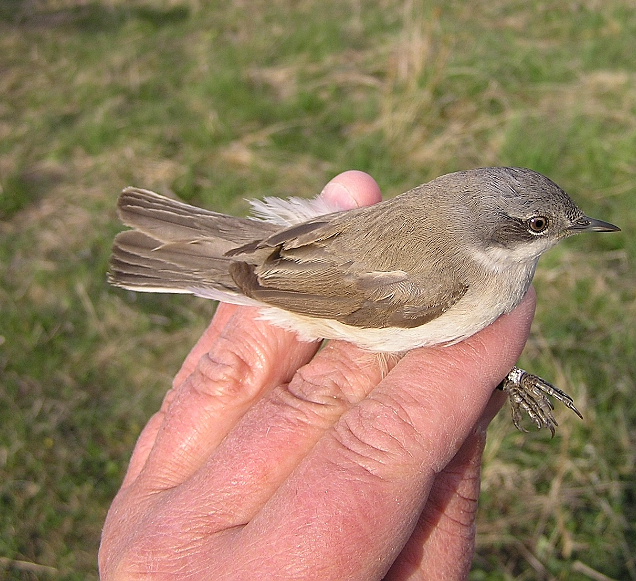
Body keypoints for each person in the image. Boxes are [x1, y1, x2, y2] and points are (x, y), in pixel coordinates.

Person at [98, 171, 537, 580]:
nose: (555, 233)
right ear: (497, 230)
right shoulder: (459, 276)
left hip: (317, 248)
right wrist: (256, 274)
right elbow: (351, 296)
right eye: (539, 225)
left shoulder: (467, 228)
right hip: (320, 285)